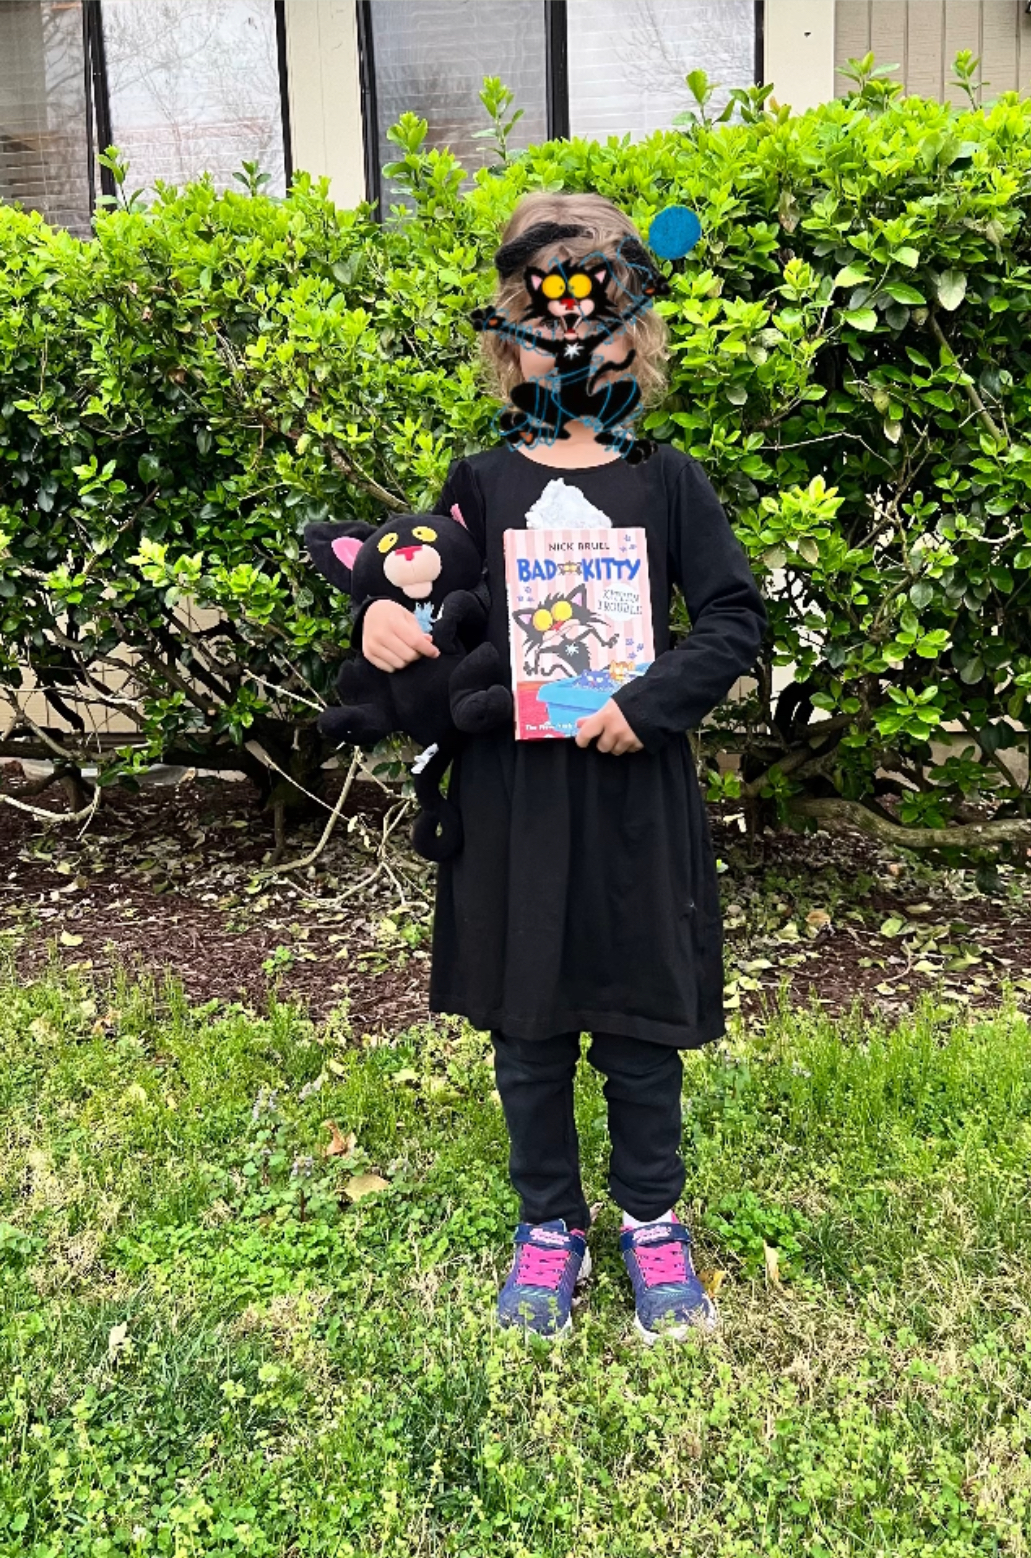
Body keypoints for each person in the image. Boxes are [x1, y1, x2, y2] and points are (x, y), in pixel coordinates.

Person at [360, 191, 766, 1342]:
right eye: (548, 315)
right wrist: (381, 633)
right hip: (513, 804)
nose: (576, 337)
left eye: (600, 312)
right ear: (511, 336)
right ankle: (550, 1222)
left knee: (641, 1029)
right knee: (527, 1032)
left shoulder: (668, 480)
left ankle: (651, 1220)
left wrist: (652, 701)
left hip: (636, 797)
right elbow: (419, 601)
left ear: (635, 329)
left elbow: (733, 617)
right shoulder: (478, 485)